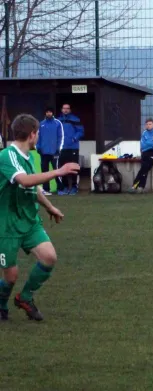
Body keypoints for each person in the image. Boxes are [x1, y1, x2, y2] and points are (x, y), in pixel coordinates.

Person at [0, 113, 80, 321]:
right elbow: (25, 181)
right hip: (7, 224)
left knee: (49, 257)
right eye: (38, 133)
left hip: (29, 221)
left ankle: (25, 297)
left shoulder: (27, 157)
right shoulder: (7, 155)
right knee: (10, 276)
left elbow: (33, 187)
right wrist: (58, 171)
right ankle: (1, 304)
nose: (39, 137)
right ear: (32, 135)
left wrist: (50, 207)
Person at [56, 103, 84, 195]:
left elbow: (81, 131)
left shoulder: (75, 119)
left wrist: (74, 138)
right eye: (64, 108)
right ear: (61, 109)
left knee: (73, 167)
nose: (66, 110)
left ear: (70, 110)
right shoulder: (58, 120)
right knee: (63, 167)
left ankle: (74, 187)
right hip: (62, 148)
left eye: (67, 108)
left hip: (73, 147)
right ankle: (64, 187)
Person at [36, 107, 64, 195]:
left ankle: (60, 189)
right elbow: (38, 137)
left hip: (54, 152)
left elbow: (61, 137)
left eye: (50, 112)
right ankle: (46, 190)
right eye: (47, 112)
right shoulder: (41, 124)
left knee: (57, 170)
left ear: (52, 113)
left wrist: (58, 149)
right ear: (45, 113)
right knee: (44, 172)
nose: (48, 113)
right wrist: (38, 147)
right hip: (43, 152)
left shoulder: (57, 123)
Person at [128, 118, 153, 193]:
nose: (148, 126)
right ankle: (140, 187)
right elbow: (142, 145)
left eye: (150, 124)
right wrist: (150, 143)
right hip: (145, 152)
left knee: (144, 166)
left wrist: (149, 143)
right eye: (147, 124)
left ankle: (135, 185)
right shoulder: (144, 133)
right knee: (145, 167)